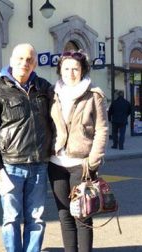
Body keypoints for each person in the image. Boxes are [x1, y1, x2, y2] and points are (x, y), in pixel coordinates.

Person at [0, 43, 52, 252]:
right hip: (10, 166)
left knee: (37, 219)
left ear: (35, 63)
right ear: (12, 60)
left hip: (39, 165)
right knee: (11, 218)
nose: (25, 63)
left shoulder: (43, 88)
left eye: (30, 59)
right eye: (21, 58)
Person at [48, 50, 108, 251]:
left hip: (81, 165)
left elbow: (101, 129)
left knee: (82, 214)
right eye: (66, 68)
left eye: (75, 68)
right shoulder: (53, 94)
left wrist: (93, 161)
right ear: (60, 70)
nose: (70, 72)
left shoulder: (94, 95)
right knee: (64, 214)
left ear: (82, 70)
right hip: (56, 163)